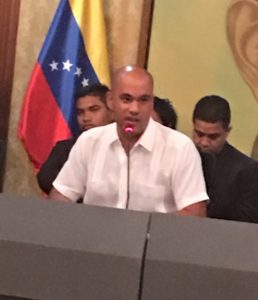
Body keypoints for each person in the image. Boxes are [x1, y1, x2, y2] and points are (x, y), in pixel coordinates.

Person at [49, 65, 208, 216]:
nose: (134, 109)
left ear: (152, 102)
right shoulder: (89, 142)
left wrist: (144, 232)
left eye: (143, 100)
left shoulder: (180, 147)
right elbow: (61, 195)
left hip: (155, 241)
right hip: (95, 240)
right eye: (126, 99)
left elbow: (193, 213)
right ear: (110, 100)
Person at [192, 95, 258, 222]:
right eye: (199, 134)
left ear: (227, 132)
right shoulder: (181, 156)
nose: (204, 142)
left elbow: (247, 222)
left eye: (213, 137)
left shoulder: (247, 170)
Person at [37, 83, 113, 194]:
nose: (86, 118)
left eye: (94, 109)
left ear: (112, 112)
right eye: (80, 112)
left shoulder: (125, 145)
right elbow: (45, 179)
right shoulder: (65, 148)